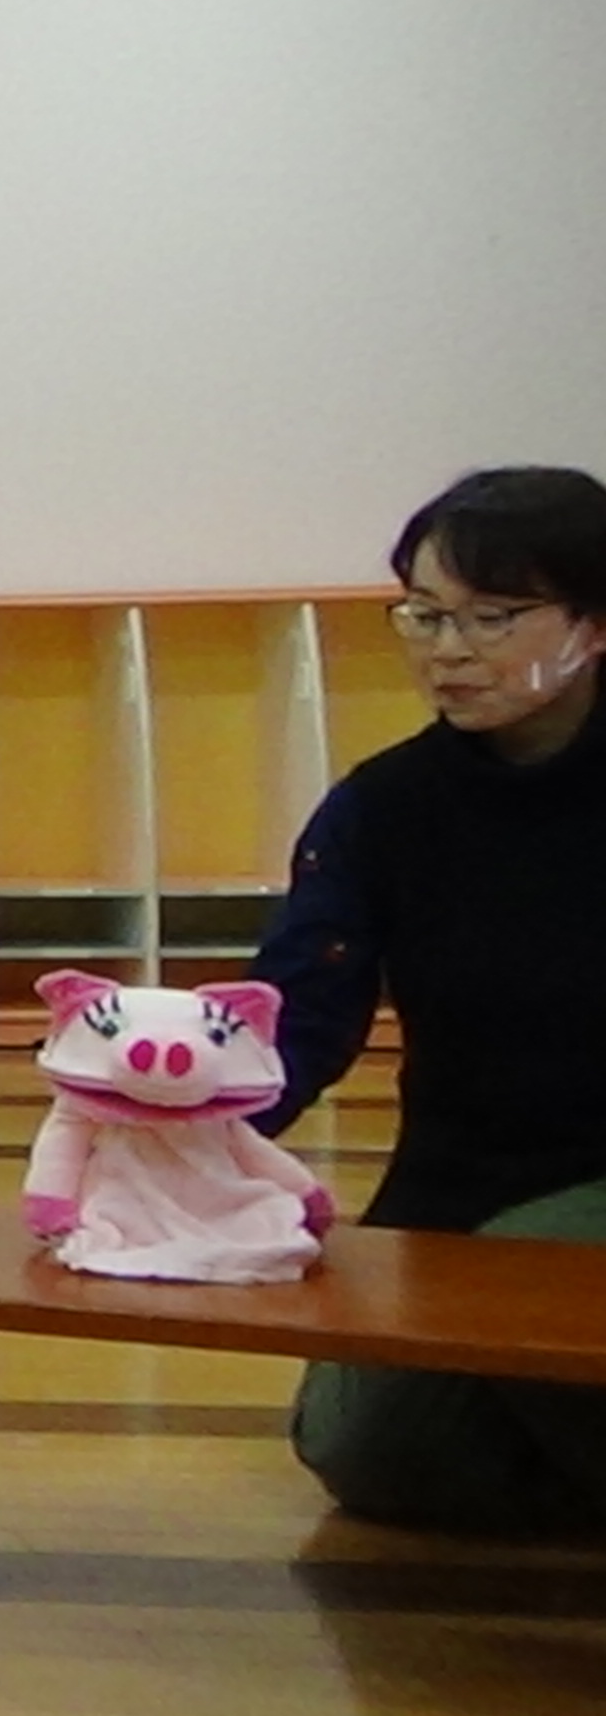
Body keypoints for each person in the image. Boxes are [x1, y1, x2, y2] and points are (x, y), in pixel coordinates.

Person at [251, 465, 606, 1537]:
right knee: (367, 1448)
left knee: (539, 1268)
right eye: (424, 613)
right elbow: (300, 1009)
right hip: (457, 1189)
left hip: (587, 1188)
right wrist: (183, 1137)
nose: (447, 649)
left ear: (593, 625)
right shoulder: (384, 805)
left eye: (492, 617)